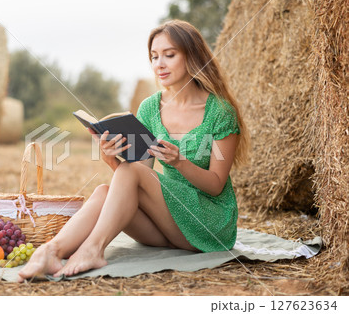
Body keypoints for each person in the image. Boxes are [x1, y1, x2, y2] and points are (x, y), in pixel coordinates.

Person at [18, 19, 249, 281]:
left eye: (169, 55)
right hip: (170, 223)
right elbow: (137, 179)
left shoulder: (220, 112)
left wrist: (180, 161)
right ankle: (51, 250)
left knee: (128, 175)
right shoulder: (150, 108)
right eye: (154, 57)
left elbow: (216, 185)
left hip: (210, 224)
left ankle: (93, 248)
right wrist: (109, 158)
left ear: (192, 56)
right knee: (105, 190)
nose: (159, 64)